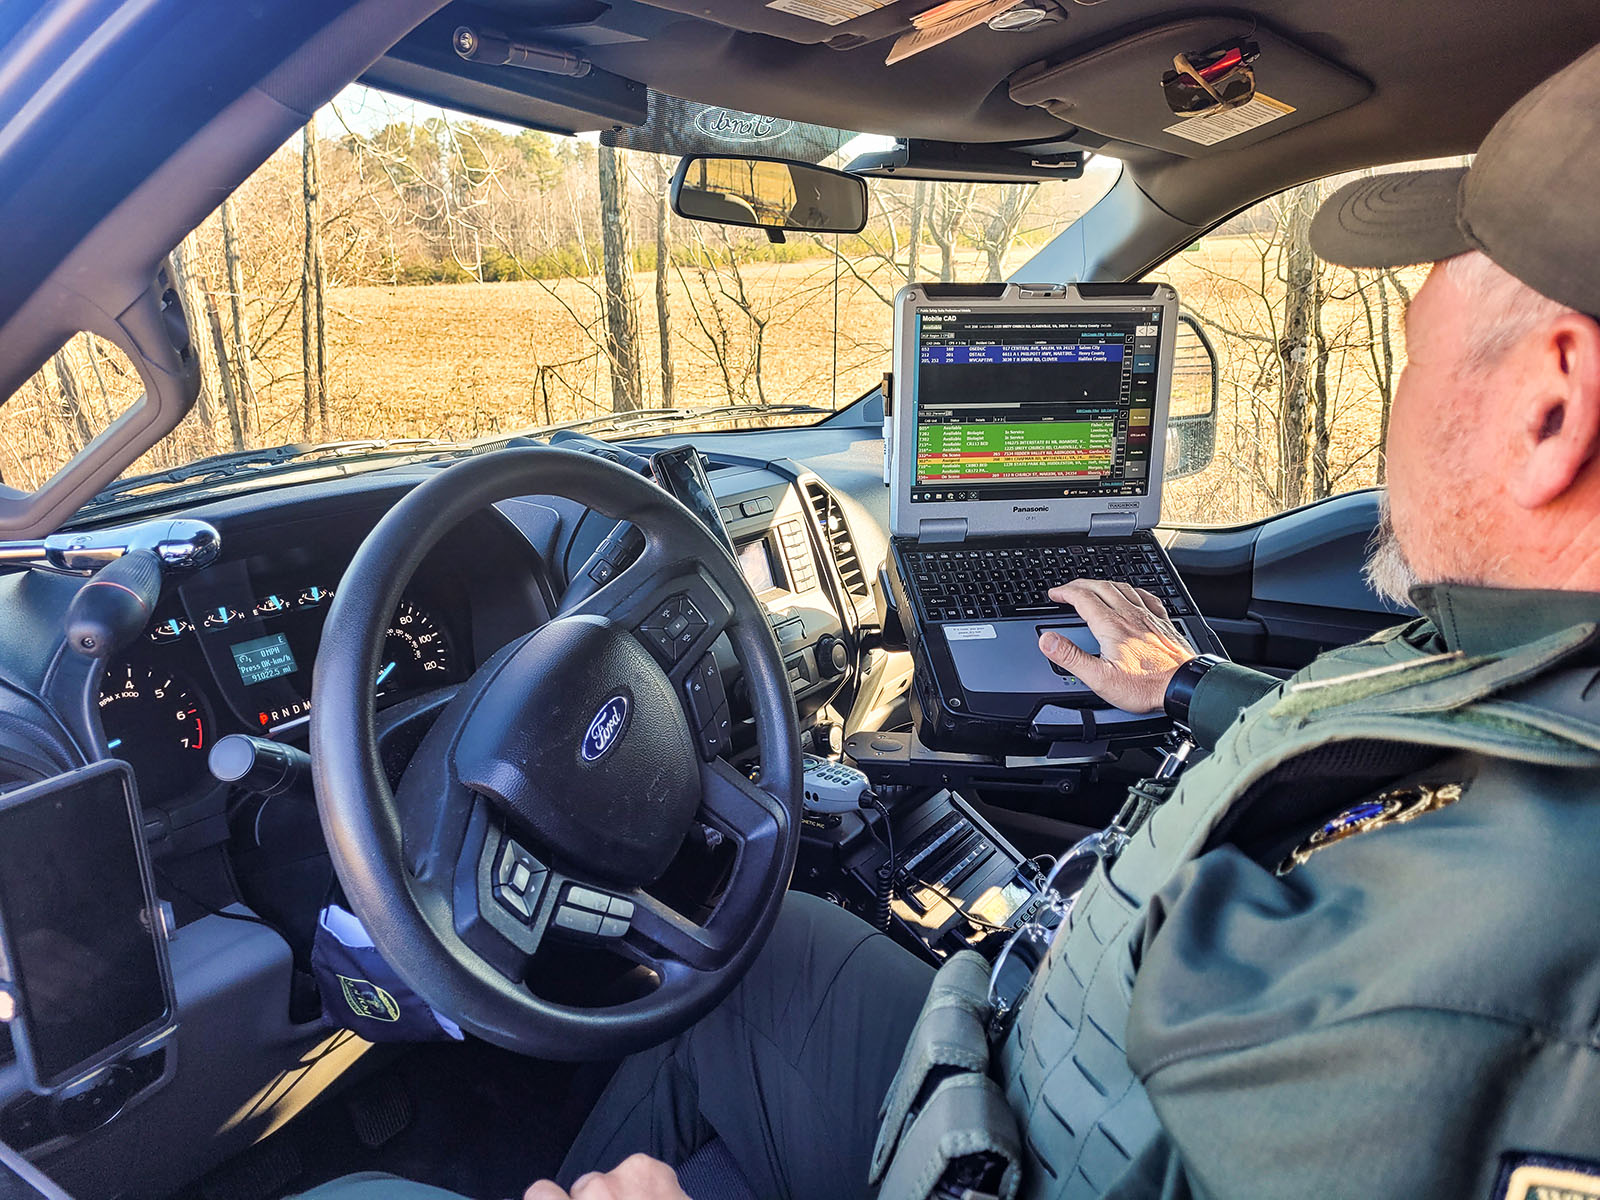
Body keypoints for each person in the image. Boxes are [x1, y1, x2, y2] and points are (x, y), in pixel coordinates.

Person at [309, 40, 1600, 1200]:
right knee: (769, 950)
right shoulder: (1533, 659)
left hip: (1026, 1142)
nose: (1397, 416)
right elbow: (1405, 755)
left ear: (1554, 404)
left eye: (1419, 353)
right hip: (1048, 1055)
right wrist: (1190, 686)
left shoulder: (1507, 975)